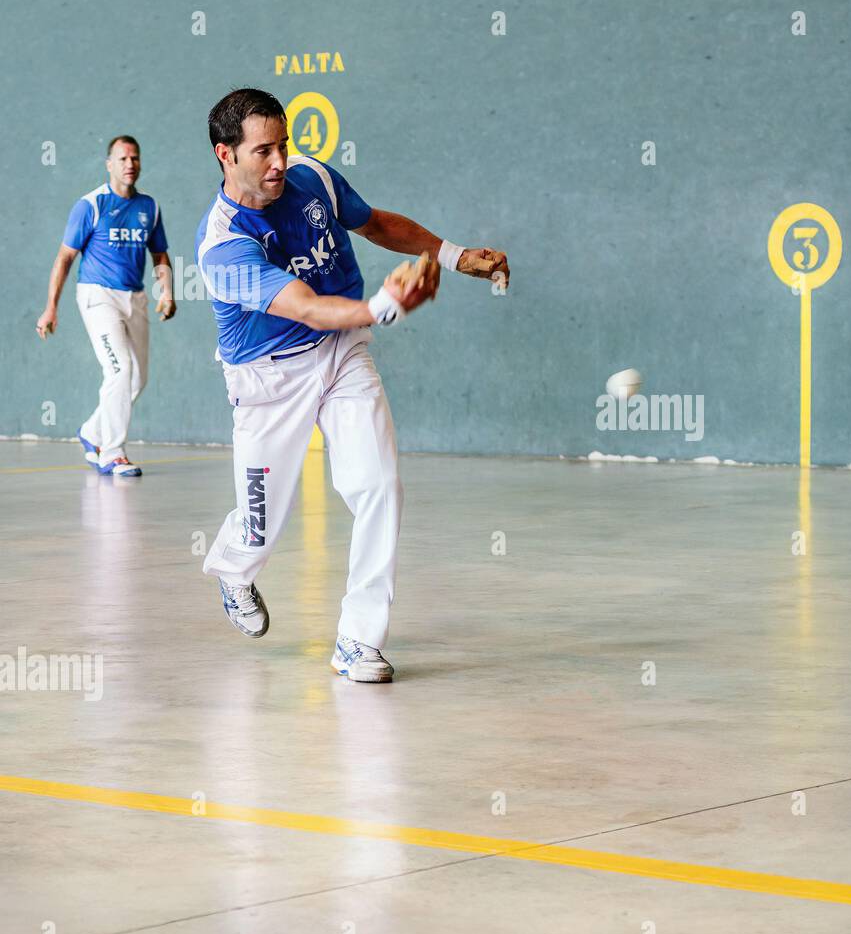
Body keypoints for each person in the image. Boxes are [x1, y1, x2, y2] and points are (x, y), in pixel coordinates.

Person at [196, 88, 507, 682]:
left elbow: (375, 223)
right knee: (261, 528)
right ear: (225, 155)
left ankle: (358, 640)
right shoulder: (222, 246)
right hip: (269, 381)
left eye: (282, 145)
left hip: (341, 355)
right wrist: (384, 306)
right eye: (263, 151)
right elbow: (308, 307)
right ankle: (235, 570)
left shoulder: (310, 177)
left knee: (379, 485)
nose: (279, 161)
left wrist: (455, 254)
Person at [36, 136, 175, 476]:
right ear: (109, 164)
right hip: (98, 296)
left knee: (138, 378)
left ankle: (92, 431)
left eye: (135, 158)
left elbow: (159, 254)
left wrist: (167, 291)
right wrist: (50, 307)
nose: (130, 164)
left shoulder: (149, 208)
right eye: (123, 158)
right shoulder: (90, 205)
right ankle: (111, 452)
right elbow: (65, 257)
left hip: (135, 297)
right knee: (118, 370)